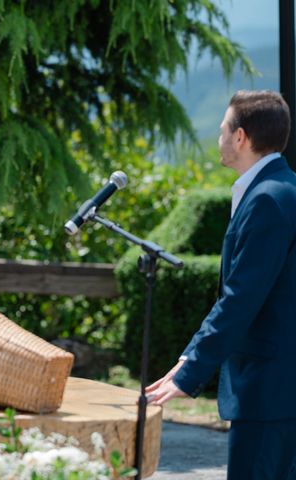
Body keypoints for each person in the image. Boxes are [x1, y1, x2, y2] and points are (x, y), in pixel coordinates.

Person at [146, 90, 296, 479]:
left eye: (222, 130)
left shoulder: (268, 199)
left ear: (241, 137)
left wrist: (189, 368)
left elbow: (241, 299)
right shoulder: (283, 188)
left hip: (270, 393)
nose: (218, 139)